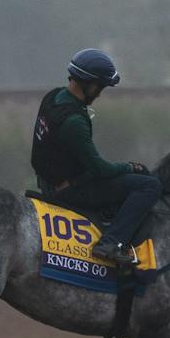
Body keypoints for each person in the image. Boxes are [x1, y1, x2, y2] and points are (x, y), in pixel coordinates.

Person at [30, 48, 160, 266]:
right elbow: (101, 169)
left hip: (48, 180)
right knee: (149, 185)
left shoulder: (52, 97)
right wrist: (130, 167)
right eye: (99, 87)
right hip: (68, 190)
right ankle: (110, 243)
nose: (99, 93)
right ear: (87, 84)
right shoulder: (74, 122)